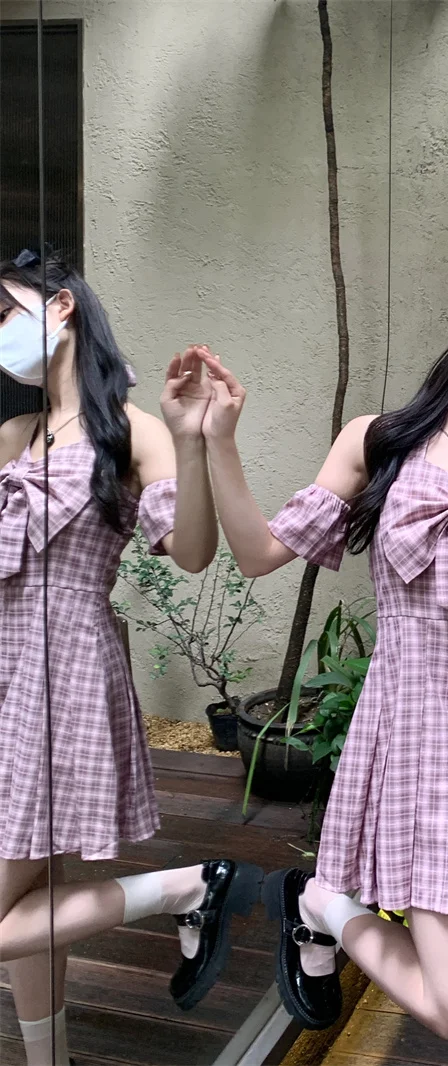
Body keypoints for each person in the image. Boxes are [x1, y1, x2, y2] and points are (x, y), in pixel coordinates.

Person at [188, 251, 448, 1065]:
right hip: (417, 730)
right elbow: (260, 553)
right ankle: (322, 907)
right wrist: (220, 442)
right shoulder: (376, 441)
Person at [0, 251, 265, 1066]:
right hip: (6, 669)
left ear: (63, 307)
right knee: (32, 891)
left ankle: (187, 887)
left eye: (3, 313)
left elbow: (192, 551)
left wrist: (189, 444)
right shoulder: (12, 435)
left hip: (66, 670)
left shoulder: (131, 429)